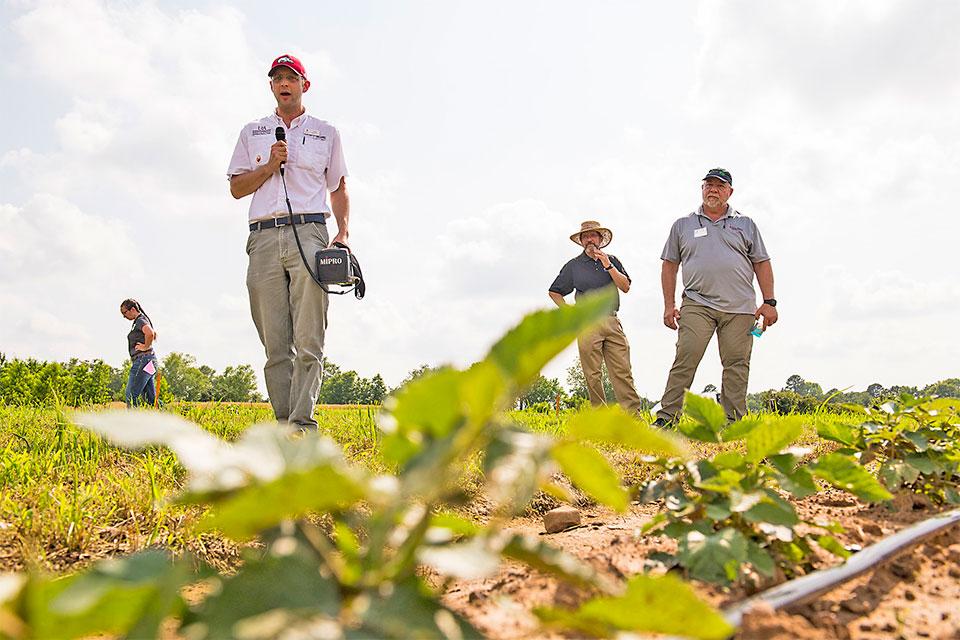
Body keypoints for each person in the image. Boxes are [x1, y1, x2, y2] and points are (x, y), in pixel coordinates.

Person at [227, 54, 349, 431]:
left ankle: (302, 423)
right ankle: (284, 425)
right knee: (275, 343)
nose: (284, 83)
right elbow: (235, 188)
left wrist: (342, 233)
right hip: (263, 236)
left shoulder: (326, 132)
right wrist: (267, 168)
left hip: (310, 232)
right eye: (277, 78)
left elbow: (339, 187)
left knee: (310, 335)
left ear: (304, 85)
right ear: (271, 86)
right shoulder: (253, 132)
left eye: (291, 78)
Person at [655, 168, 778, 426]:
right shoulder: (683, 225)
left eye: (720, 186)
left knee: (736, 364)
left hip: (741, 308)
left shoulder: (746, 224)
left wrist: (769, 302)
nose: (713, 189)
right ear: (701, 189)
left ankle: (733, 421)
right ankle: (667, 418)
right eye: (708, 185)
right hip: (697, 303)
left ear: (730, 192)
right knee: (686, 357)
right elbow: (669, 264)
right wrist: (669, 305)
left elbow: (762, 263)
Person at [549, 220, 644, 414]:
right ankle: (600, 419)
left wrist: (607, 264)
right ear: (581, 241)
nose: (589, 239)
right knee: (592, 374)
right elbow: (554, 292)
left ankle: (633, 417)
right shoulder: (573, 266)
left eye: (593, 235)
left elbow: (625, 287)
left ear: (601, 239)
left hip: (612, 320)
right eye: (585, 236)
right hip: (587, 323)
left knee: (623, 371)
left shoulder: (613, 260)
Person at [120, 298, 158, 407]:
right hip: (149, 362)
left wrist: (146, 347)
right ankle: (164, 418)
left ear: (132, 309)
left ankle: (132, 422)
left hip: (143, 360)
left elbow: (150, 333)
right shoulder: (141, 320)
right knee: (149, 397)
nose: (124, 316)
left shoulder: (140, 320)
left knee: (131, 394)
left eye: (124, 313)